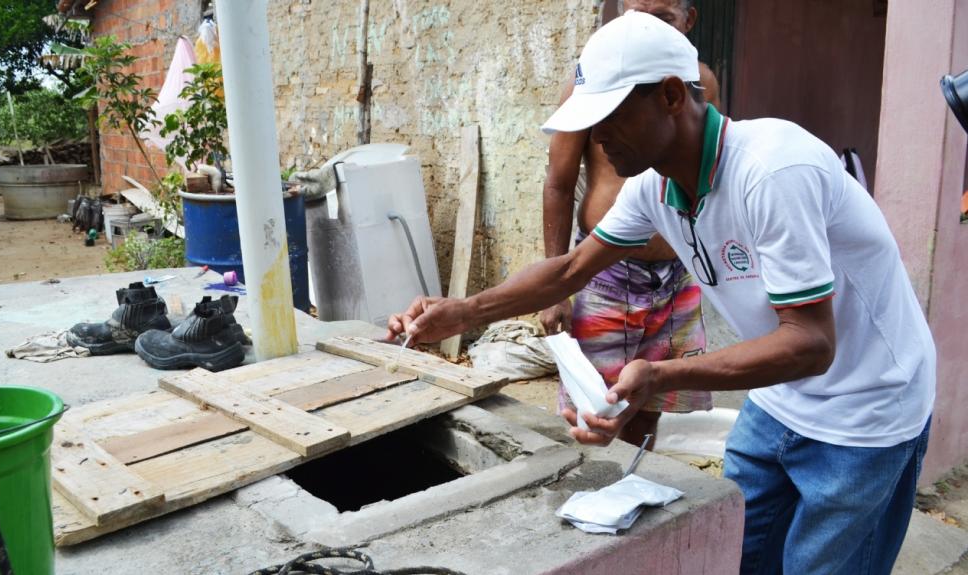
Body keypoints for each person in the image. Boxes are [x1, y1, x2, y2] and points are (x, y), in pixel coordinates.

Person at [389, 12, 935, 574]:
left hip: (867, 410)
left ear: (672, 96)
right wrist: (460, 312)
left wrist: (659, 375)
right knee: (735, 554)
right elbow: (571, 268)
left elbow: (812, 343)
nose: (597, 138)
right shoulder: (655, 188)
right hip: (780, 399)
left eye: (610, 117)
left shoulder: (771, 171)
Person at [541, 0, 719, 450]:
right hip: (607, 273)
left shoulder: (700, 84)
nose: (643, 26)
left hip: (678, 273)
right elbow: (559, 187)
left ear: (688, 20)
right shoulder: (592, 85)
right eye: (633, 13)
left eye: (661, 17)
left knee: (650, 402)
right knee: (594, 409)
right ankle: (593, 497)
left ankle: (634, 492)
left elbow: (704, 175)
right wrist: (556, 291)